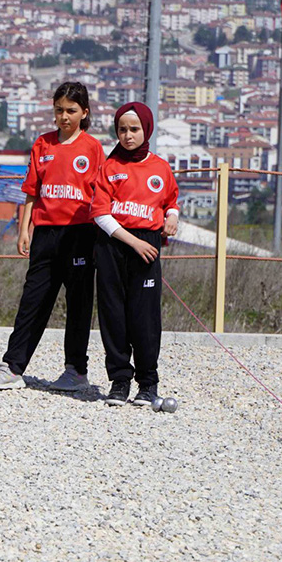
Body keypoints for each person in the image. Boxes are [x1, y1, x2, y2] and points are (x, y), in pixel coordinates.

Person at [0, 82, 104, 392]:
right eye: (59, 110)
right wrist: (24, 230)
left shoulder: (92, 148)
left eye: (71, 111)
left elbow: (101, 195)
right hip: (45, 234)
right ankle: (12, 367)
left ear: (84, 113)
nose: (64, 116)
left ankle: (76, 371)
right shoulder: (42, 145)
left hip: (79, 234)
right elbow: (31, 193)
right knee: (33, 300)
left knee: (78, 304)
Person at [91, 101, 179, 407]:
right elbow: (101, 215)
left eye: (134, 129)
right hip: (115, 244)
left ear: (147, 129)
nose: (128, 136)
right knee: (113, 314)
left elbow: (171, 200)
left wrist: (173, 217)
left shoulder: (160, 168)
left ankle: (148, 383)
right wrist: (133, 243)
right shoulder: (109, 167)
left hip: (148, 245)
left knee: (144, 317)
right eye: (122, 130)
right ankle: (119, 380)